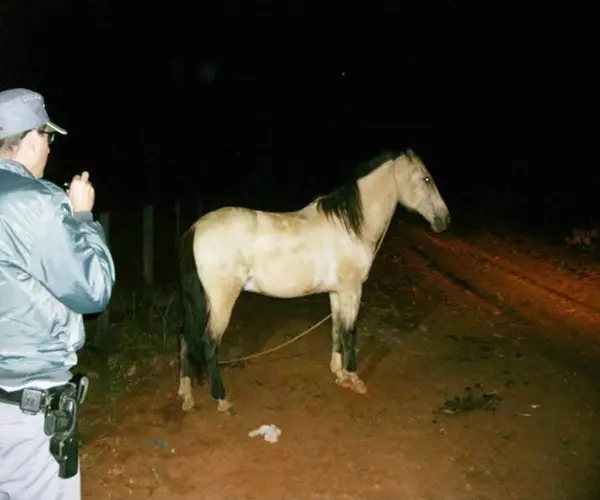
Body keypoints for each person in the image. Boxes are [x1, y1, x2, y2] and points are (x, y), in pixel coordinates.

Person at [0, 88, 116, 499]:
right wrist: (82, 215)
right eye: (48, 136)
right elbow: (94, 290)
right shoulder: (39, 200)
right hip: (24, 407)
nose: (49, 147)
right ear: (30, 138)